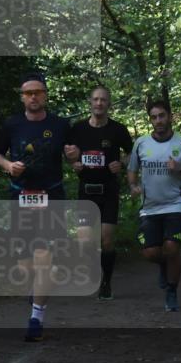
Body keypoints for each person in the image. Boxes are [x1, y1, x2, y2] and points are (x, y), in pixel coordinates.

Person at [0, 72, 72, 342]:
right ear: (22, 97)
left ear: (45, 95)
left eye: (38, 92)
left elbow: (75, 153)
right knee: (27, 265)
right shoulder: (11, 124)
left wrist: (75, 155)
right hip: (20, 196)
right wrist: (8, 166)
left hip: (51, 195)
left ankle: (36, 317)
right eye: (28, 93)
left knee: (44, 259)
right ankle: (36, 290)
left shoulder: (60, 125)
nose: (33, 97)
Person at [64, 85, 133, 300]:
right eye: (96, 99)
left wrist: (121, 163)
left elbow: (132, 154)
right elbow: (69, 155)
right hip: (87, 190)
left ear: (109, 103)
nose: (99, 103)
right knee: (85, 241)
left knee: (106, 240)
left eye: (103, 100)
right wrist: (73, 163)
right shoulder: (78, 129)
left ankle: (106, 282)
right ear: (90, 102)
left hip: (109, 191)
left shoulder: (118, 130)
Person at [127, 99, 181, 312]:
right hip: (150, 208)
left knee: (172, 248)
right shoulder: (141, 143)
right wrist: (133, 185)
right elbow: (132, 169)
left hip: (176, 205)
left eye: (162, 116)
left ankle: (171, 291)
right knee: (150, 253)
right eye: (154, 117)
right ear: (150, 120)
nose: (158, 121)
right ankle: (165, 266)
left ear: (170, 116)